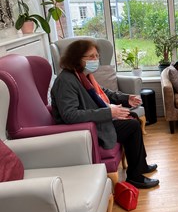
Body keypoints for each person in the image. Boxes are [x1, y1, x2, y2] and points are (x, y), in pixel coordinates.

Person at [51, 39, 159, 189]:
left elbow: (105, 93)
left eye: (96, 56)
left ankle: (141, 165)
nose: (95, 60)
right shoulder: (66, 81)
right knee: (132, 125)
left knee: (132, 117)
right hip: (86, 129)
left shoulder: (83, 75)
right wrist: (109, 112)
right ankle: (135, 177)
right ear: (76, 58)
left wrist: (127, 98)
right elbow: (70, 115)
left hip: (96, 121)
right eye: (90, 57)